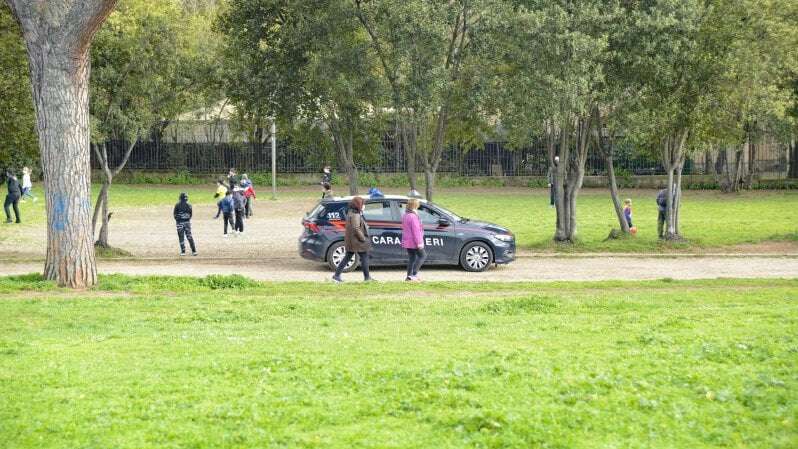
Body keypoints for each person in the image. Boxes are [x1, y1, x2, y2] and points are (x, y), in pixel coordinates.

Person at [332, 196, 374, 283]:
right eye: (363, 204)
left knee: (347, 257)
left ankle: (336, 275)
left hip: (352, 240)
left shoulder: (352, 212)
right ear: (358, 205)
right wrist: (363, 238)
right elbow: (356, 228)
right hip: (357, 241)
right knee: (364, 257)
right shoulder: (355, 215)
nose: (364, 206)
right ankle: (367, 278)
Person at [402, 198, 426, 281]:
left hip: (408, 241)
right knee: (422, 256)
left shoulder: (406, 215)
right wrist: (419, 243)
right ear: (415, 205)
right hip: (414, 242)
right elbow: (416, 231)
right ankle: (414, 275)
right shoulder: (413, 216)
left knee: (412, 258)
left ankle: (409, 276)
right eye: (418, 204)